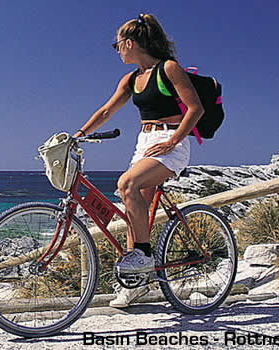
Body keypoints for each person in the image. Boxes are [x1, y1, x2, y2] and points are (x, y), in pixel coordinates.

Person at [73, 13, 204, 308]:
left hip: (171, 141)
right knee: (135, 214)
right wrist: (78, 134)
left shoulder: (168, 69)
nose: (117, 50)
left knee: (126, 183)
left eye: (117, 45)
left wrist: (172, 141)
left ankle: (142, 255)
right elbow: (107, 111)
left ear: (129, 43)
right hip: (144, 143)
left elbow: (195, 109)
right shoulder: (131, 79)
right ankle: (137, 283)